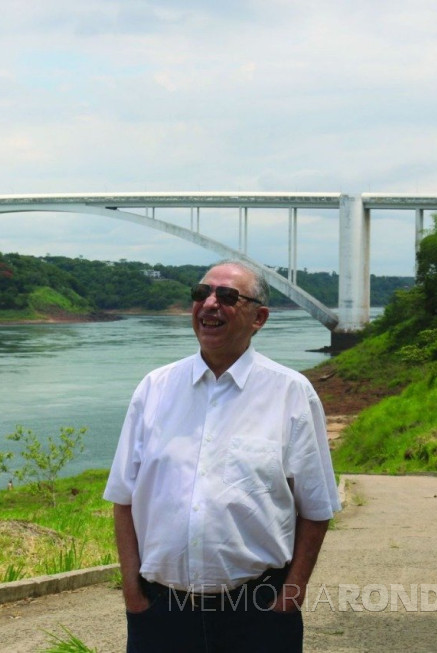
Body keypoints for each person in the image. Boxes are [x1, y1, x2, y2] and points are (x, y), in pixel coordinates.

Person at [104, 260, 340, 653]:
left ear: (259, 317)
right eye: (202, 294)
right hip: (161, 614)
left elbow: (316, 508)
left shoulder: (291, 394)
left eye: (228, 297)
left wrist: (289, 598)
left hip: (257, 614)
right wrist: (134, 596)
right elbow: (124, 500)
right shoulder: (154, 389)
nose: (210, 304)